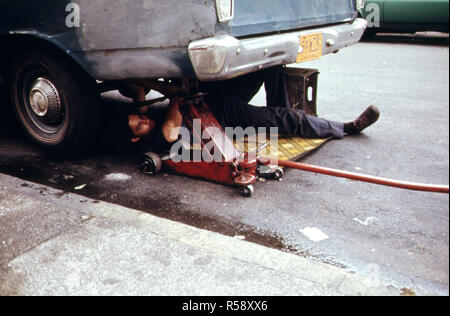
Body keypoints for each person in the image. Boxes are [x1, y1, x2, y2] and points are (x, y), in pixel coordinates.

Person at [120, 66, 380, 151]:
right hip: (222, 119)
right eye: (139, 126)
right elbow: (171, 126)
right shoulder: (157, 138)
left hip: (216, 98)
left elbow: (138, 95)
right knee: (283, 118)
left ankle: (279, 116)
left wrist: (136, 85)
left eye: (139, 118)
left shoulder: (145, 119)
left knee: (269, 65)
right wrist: (176, 93)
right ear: (136, 137)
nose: (145, 122)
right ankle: (346, 128)